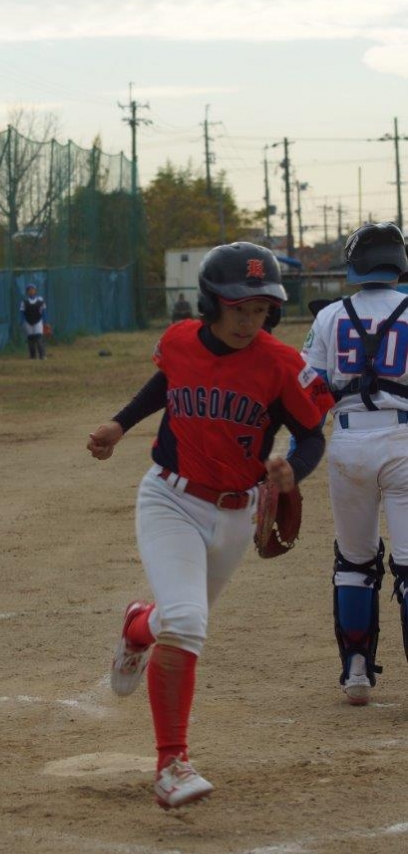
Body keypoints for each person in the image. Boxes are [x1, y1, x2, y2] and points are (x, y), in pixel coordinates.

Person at [87, 242, 334, 810]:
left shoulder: (281, 364)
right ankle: (171, 765)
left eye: (261, 309)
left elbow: (312, 435)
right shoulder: (179, 339)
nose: (250, 320)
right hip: (170, 499)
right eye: (239, 307)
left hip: (237, 514)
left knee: (178, 619)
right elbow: (165, 383)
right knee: (188, 622)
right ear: (211, 303)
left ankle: (137, 627)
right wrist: (120, 424)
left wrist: (292, 473)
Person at [300, 221, 408, 707]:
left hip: (348, 441)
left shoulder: (329, 316)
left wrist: (296, 453)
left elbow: (309, 391)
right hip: (404, 438)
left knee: (354, 559)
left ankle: (357, 671)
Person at [19, 283, 47, 359]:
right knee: (30, 339)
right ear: (27, 292)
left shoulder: (40, 300)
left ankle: (42, 355)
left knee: (39, 338)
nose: (31, 291)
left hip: (38, 320)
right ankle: (33, 356)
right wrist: (21, 321)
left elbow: (44, 311)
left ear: (35, 291)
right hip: (28, 321)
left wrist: (45, 321)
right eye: (29, 290)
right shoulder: (24, 302)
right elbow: (22, 312)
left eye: (32, 289)